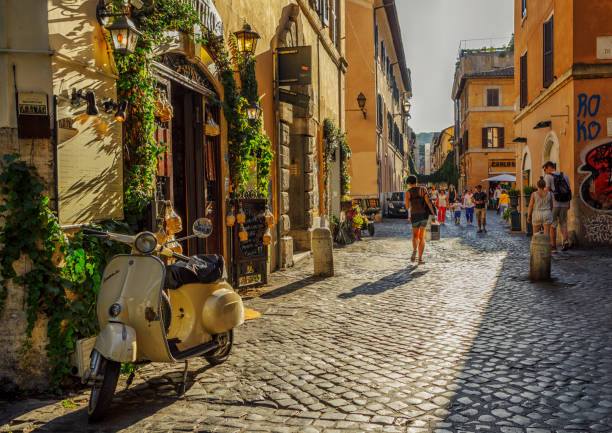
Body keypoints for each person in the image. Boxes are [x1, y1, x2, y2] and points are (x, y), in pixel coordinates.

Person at [405, 175, 436, 265]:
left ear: (409, 183)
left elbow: (407, 207)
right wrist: (433, 215)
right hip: (423, 216)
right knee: (422, 237)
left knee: (415, 236)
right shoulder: (423, 190)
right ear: (416, 181)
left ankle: (414, 250)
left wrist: (410, 203)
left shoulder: (408, 192)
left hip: (414, 216)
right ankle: (420, 259)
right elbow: (428, 203)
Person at [543, 161, 572, 252]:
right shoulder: (564, 175)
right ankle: (565, 240)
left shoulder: (548, 176)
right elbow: (569, 189)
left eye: (544, 169)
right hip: (565, 202)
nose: (544, 171)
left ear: (549, 167)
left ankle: (553, 247)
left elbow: (547, 190)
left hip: (554, 203)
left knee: (553, 225)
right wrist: (568, 203)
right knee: (563, 223)